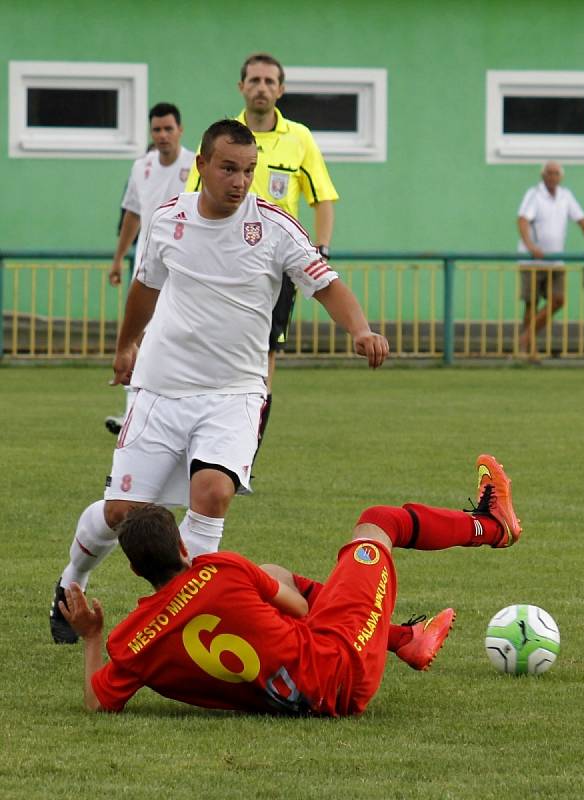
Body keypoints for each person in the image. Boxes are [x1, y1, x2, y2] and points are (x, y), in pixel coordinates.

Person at [49, 118, 388, 645]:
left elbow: (328, 286)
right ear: (201, 166)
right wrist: (125, 347)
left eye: (249, 170)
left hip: (234, 393)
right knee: (122, 512)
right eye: (228, 168)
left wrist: (361, 328)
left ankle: (182, 617)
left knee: (212, 493)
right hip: (160, 390)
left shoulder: (274, 226)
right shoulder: (168, 221)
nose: (239, 180)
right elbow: (145, 289)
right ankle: (71, 582)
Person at [59, 453, 521, 715]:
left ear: (136, 571)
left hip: (304, 700)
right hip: (343, 665)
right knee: (379, 524)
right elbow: (300, 610)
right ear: (183, 546)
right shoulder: (220, 570)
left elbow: (98, 702)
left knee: (274, 581)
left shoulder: (133, 638)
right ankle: (493, 525)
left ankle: (404, 640)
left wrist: (94, 635)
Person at [186, 53, 339, 452]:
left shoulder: (299, 138)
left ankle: (244, 453)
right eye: (254, 80)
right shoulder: (222, 136)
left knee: (263, 355)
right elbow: (189, 199)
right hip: (220, 264)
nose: (262, 88)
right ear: (241, 87)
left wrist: (318, 252)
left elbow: (322, 198)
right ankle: (198, 441)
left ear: (281, 89)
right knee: (209, 347)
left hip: (274, 268)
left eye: (270, 81)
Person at [105, 103, 195, 435]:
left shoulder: (195, 164)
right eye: (156, 130)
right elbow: (132, 213)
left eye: (168, 129)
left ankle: (179, 414)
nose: (162, 135)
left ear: (180, 130)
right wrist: (118, 258)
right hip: (147, 267)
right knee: (137, 335)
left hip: (185, 266)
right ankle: (133, 414)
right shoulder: (141, 167)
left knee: (178, 335)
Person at [517, 161, 584, 355]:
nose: (552, 177)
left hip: (555, 260)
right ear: (543, 176)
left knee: (558, 300)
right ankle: (530, 349)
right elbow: (522, 220)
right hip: (533, 261)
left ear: (561, 177)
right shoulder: (534, 194)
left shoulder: (565, 196)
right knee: (532, 302)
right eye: (549, 173)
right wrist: (530, 245)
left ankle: (526, 337)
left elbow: (581, 220)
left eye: (556, 173)